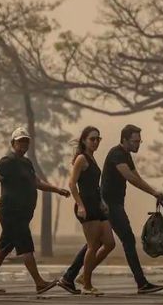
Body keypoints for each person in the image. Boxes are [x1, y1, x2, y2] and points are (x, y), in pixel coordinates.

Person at [59, 124, 163, 295]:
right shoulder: (116, 154)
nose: (138, 144)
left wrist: (155, 191)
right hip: (109, 203)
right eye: (135, 141)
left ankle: (73, 276)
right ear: (124, 140)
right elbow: (130, 177)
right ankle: (141, 283)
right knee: (126, 240)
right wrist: (153, 192)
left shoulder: (123, 156)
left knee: (102, 243)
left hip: (103, 203)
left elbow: (135, 174)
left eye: (139, 141)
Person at [0, 127, 70, 294]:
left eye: (26, 141)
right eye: (20, 141)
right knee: (26, 246)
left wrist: (57, 190)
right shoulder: (6, 162)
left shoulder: (27, 163)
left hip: (23, 213)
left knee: (4, 248)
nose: (23, 144)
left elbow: (37, 183)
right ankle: (39, 282)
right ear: (13, 143)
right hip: (11, 212)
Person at [59, 126, 115, 296]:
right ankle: (87, 285)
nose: (96, 142)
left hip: (97, 204)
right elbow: (71, 184)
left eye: (98, 139)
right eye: (92, 139)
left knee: (109, 243)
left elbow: (94, 185)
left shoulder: (92, 158)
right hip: (86, 205)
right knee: (92, 246)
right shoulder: (81, 159)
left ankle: (84, 276)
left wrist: (103, 202)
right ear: (84, 140)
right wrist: (81, 205)